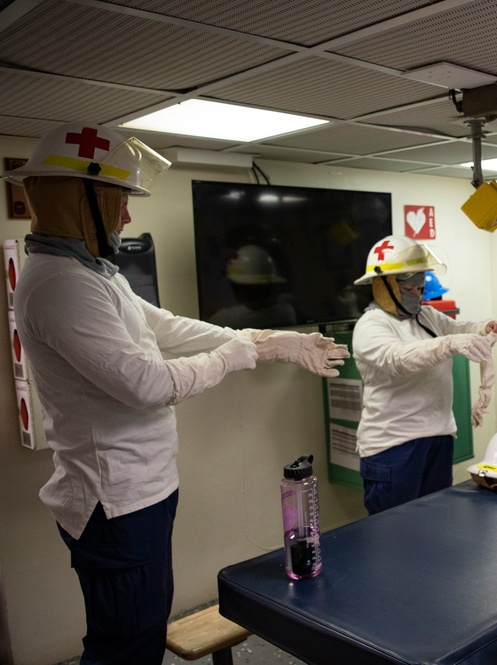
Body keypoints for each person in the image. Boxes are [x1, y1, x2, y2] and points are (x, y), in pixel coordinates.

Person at [1, 122, 350, 665]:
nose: (127, 215)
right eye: (120, 198)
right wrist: (242, 354)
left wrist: (268, 340)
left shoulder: (92, 274)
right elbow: (148, 384)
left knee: (136, 628)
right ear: (81, 196)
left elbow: (166, 327)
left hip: (139, 493)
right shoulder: (60, 285)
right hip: (114, 503)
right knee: (127, 646)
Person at [351, 235, 497, 515]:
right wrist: (447, 344)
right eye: (409, 286)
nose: (417, 294)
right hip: (393, 446)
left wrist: (484, 328)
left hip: (438, 436)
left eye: (420, 286)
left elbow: (459, 330)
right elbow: (399, 359)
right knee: (394, 535)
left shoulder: (426, 316)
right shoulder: (370, 326)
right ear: (382, 284)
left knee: (435, 526)